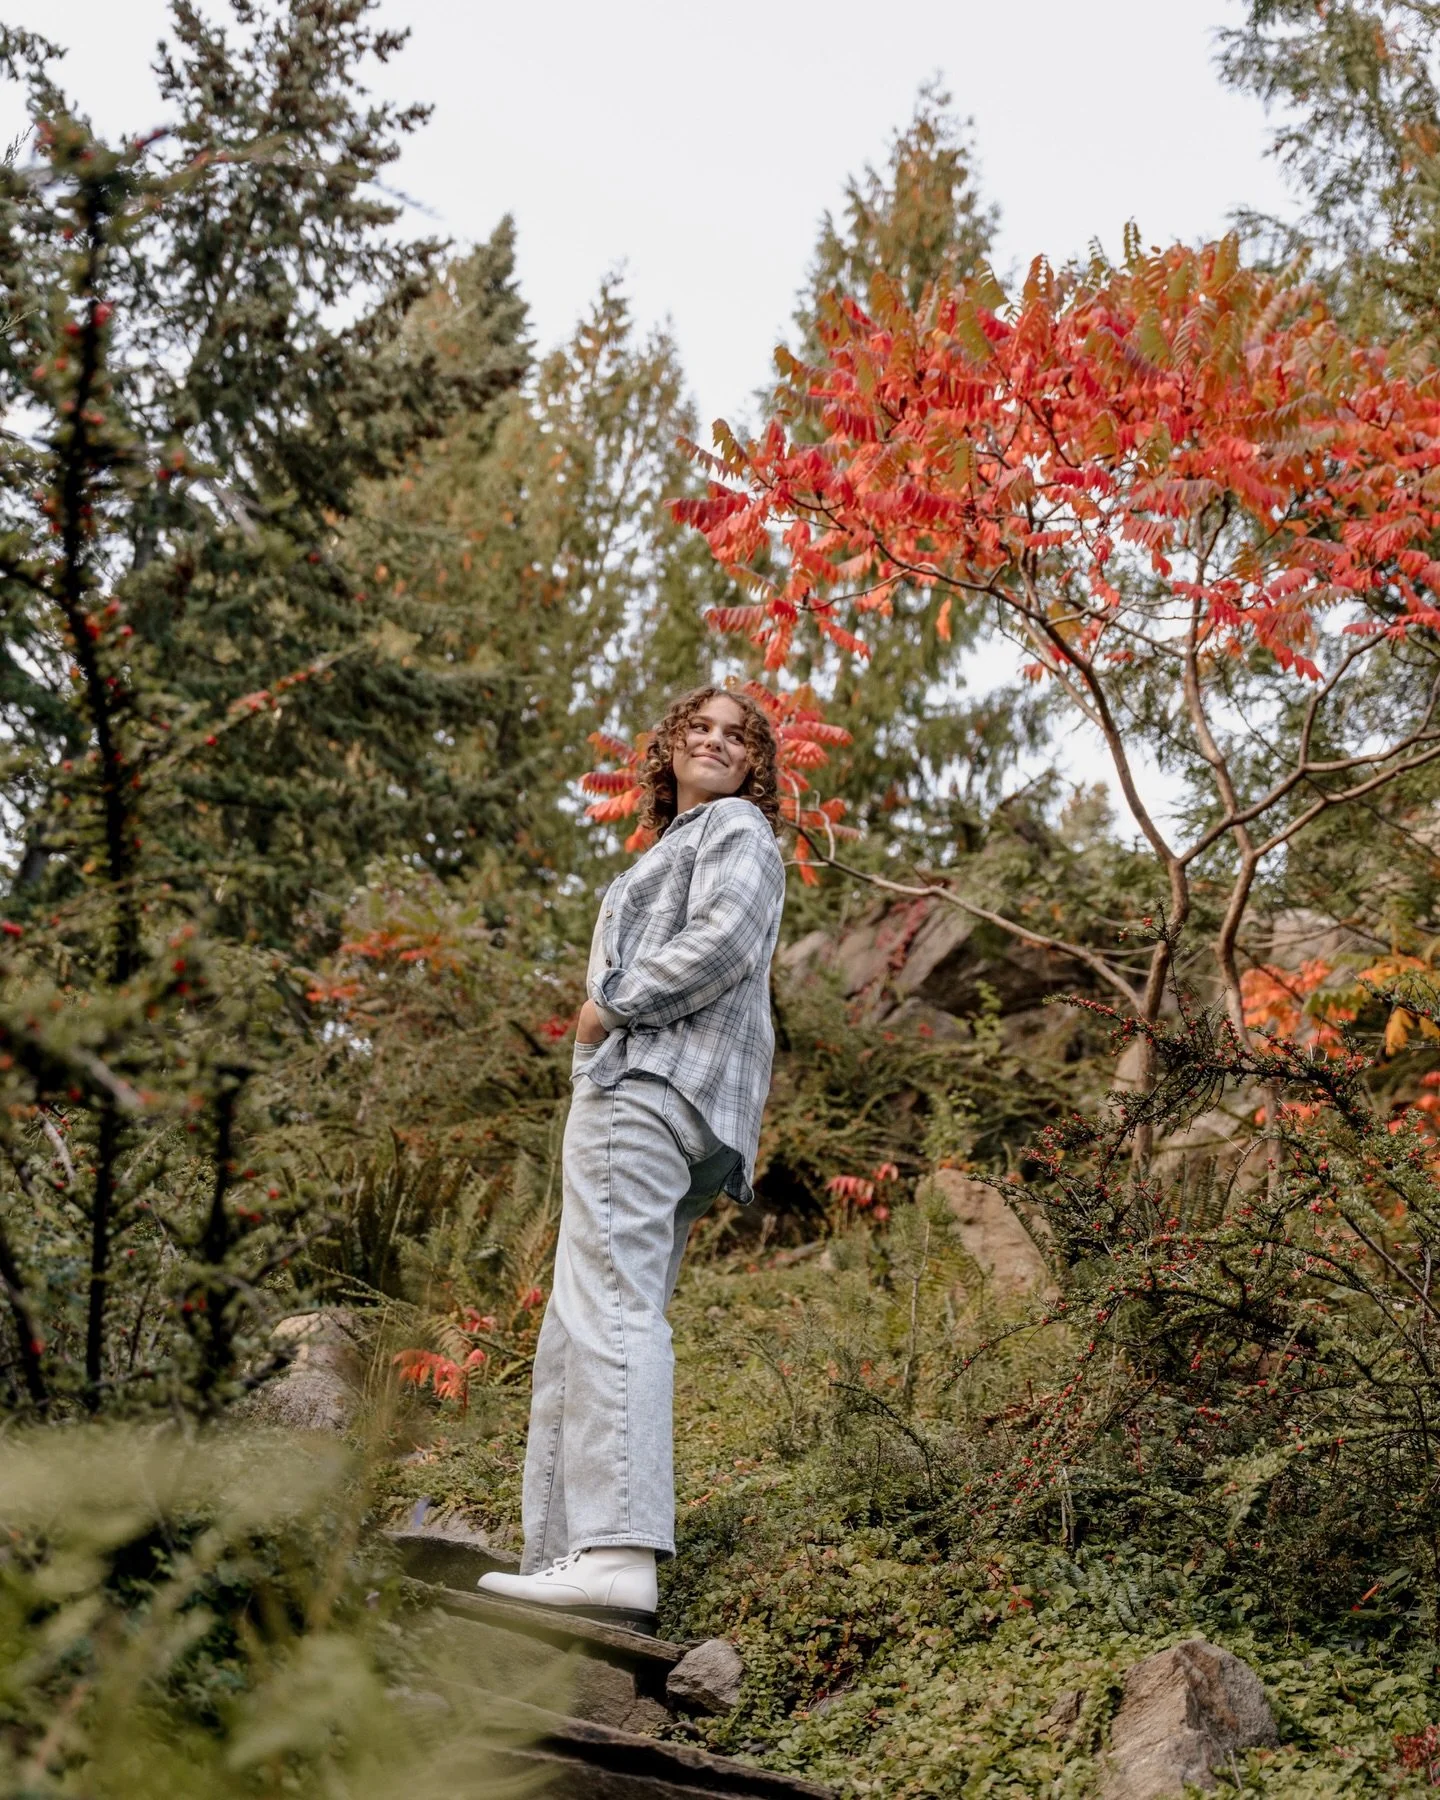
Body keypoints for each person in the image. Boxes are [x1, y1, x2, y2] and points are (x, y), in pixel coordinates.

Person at [478, 686, 786, 1634]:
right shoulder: (674, 844)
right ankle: (573, 1554)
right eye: (700, 728)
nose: (718, 742)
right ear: (668, 749)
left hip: (652, 1081)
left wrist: (608, 1007)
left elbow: (724, 940)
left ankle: (613, 1554)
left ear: (754, 767)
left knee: (605, 1307)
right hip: (678, 1098)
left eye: (738, 737)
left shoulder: (735, 830)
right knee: (590, 1318)